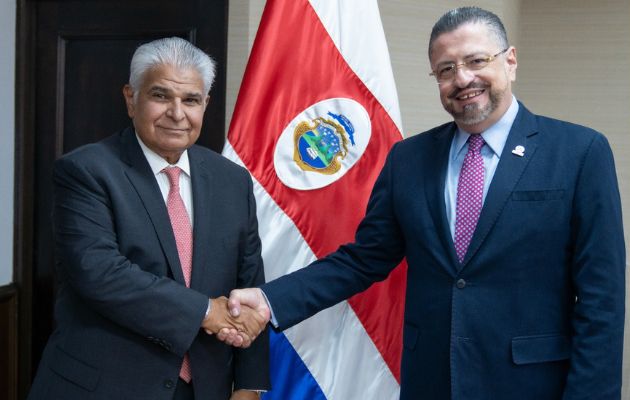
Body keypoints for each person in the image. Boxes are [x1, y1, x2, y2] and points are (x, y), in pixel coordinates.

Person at [223, 7, 626, 400]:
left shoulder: (579, 152)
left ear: (510, 61)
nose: (462, 78)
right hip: (432, 380)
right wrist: (270, 299)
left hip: (531, 384)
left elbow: (601, 298)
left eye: (476, 60)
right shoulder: (408, 160)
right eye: (446, 69)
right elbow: (365, 259)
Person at [27, 37, 269, 400]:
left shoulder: (232, 180)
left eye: (190, 100)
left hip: (205, 389)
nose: (176, 113)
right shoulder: (85, 171)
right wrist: (206, 311)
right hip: (105, 388)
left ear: (206, 104)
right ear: (130, 98)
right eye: (161, 96)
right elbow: (100, 272)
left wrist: (250, 384)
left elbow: (250, 286)